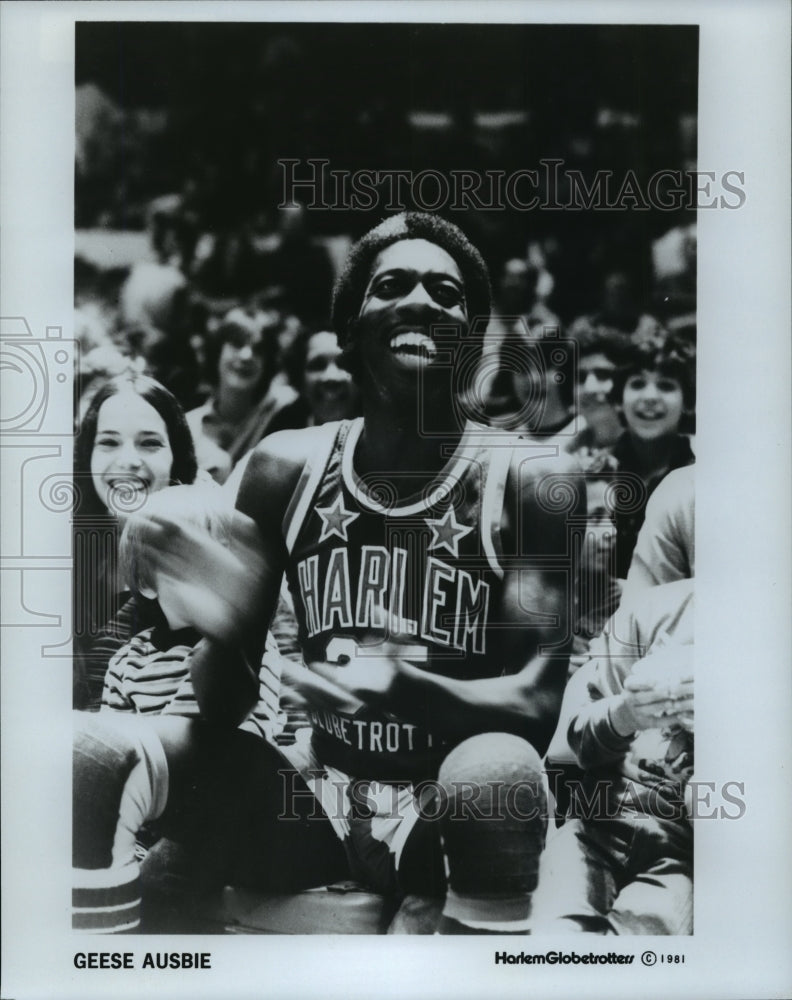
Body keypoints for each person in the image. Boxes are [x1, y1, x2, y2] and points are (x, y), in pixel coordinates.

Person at [139, 211, 584, 934]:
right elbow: (222, 707)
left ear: (472, 339)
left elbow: (537, 707)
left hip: (449, 799)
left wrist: (408, 688)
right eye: (393, 285)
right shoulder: (285, 465)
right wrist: (219, 625)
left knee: (494, 774)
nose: (420, 301)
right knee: (153, 809)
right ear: (349, 326)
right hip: (318, 789)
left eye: (447, 293)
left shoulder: (534, 478)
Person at [530, 578, 694, 935]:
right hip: (596, 820)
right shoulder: (656, 609)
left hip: (685, 855)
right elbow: (573, 743)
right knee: (552, 935)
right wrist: (626, 714)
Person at [73, 373, 198, 710]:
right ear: (87, 458)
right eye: (109, 442)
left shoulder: (215, 556)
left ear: (178, 459)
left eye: (150, 442)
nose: (128, 460)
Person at [589, 336, 695, 578]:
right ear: (618, 400)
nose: (650, 397)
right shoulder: (597, 472)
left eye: (666, 385)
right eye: (637, 384)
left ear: (688, 402)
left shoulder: (698, 476)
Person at [186, 306, 300, 484]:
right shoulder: (190, 425)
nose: (247, 355)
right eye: (237, 344)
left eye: (259, 349)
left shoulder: (283, 410)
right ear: (217, 351)